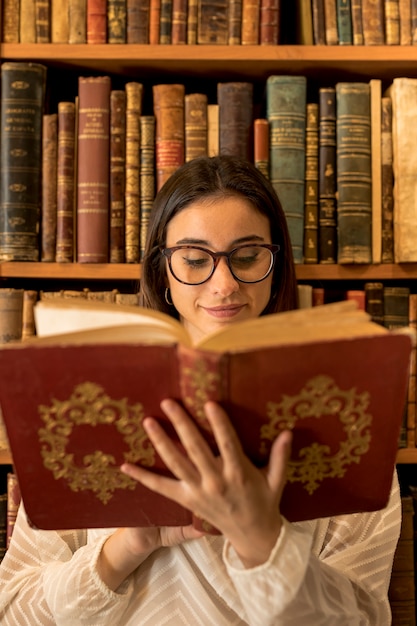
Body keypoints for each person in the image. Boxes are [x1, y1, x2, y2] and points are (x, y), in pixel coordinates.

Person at [0, 155, 400, 625]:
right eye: (194, 260)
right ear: (163, 272)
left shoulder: (348, 421)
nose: (224, 284)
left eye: (247, 256)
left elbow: (366, 619)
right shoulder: (83, 403)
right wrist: (127, 544)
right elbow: (14, 611)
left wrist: (263, 542)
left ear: (276, 265)